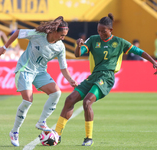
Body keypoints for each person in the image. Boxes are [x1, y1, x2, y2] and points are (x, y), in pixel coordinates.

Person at [55, 13, 157, 146]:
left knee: (87, 102)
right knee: (69, 99)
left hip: (107, 78)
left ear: (111, 30)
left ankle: (88, 138)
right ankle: (57, 134)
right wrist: (79, 45)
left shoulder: (120, 42)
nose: (100, 33)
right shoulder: (93, 40)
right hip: (93, 77)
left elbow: (139, 51)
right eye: (98, 30)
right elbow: (78, 54)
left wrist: (153, 61)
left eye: (103, 31)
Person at [0, 16, 78, 147]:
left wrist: (71, 80)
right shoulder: (38, 35)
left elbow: (63, 68)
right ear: (55, 31)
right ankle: (14, 131)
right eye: (62, 35)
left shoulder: (60, 47)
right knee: (27, 101)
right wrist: (5, 47)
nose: (63, 38)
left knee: (56, 93)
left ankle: (42, 121)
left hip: (40, 72)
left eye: (65, 35)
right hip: (25, 69)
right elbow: (17, 32)